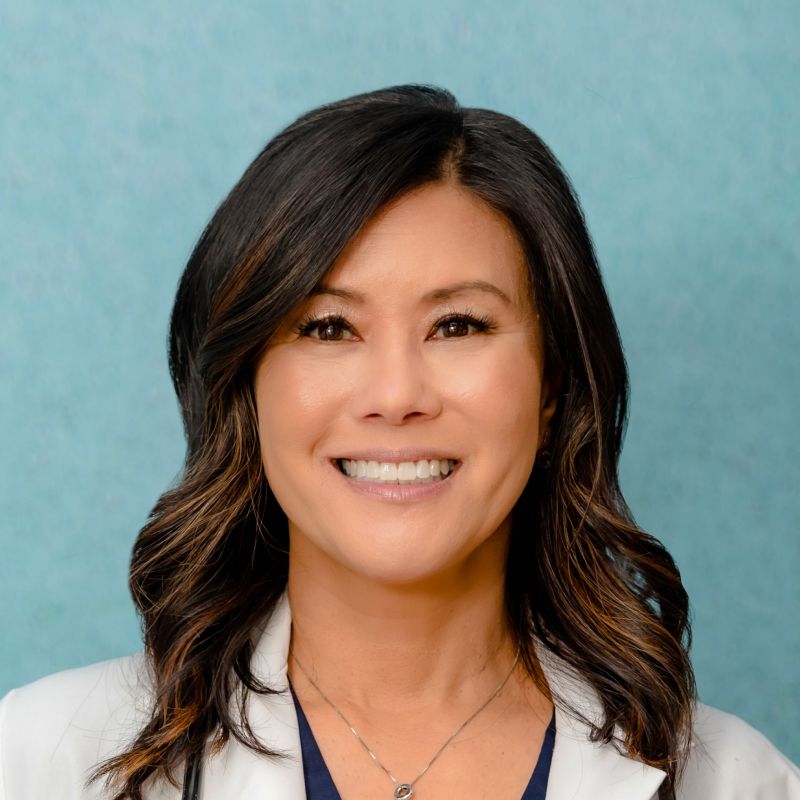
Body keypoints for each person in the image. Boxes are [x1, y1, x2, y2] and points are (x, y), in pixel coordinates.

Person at [0, 84, 797, 800]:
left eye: (458, 325)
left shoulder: (736, 783)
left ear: (553, 386)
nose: (396, 397)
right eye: (328, 327)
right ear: (245, 387)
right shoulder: (43, 762)